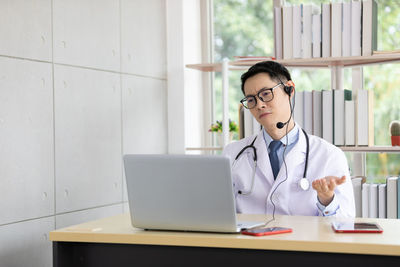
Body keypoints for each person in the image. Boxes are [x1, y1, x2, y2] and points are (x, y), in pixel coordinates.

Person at [223, 61, 355, 217]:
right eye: (251, 100)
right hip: (249, 241)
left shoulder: (329, 155)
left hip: (301, 241)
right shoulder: (233, 153)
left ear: (289, 89)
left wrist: (326, 200)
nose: (259, 105)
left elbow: (345, 223)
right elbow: (218, 213)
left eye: (266, 94)